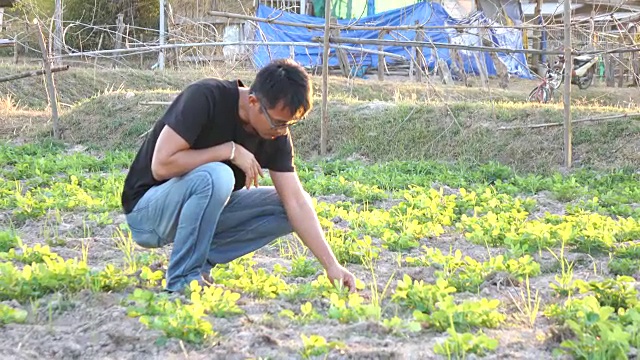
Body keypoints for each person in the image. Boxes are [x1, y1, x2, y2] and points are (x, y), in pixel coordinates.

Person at [120, 58, 357, 293]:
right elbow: (161, 165)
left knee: (288, 206)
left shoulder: (275, 135)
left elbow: (295, 201)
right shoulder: (205, 97)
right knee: (218, 175)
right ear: (253, 101)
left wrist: (332, 265)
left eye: (290, 124)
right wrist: (228, 150)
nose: (282, 131)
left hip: (199, 213)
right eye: (279, 122)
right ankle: (183, 279)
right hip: (147, 213)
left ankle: (197, 262)